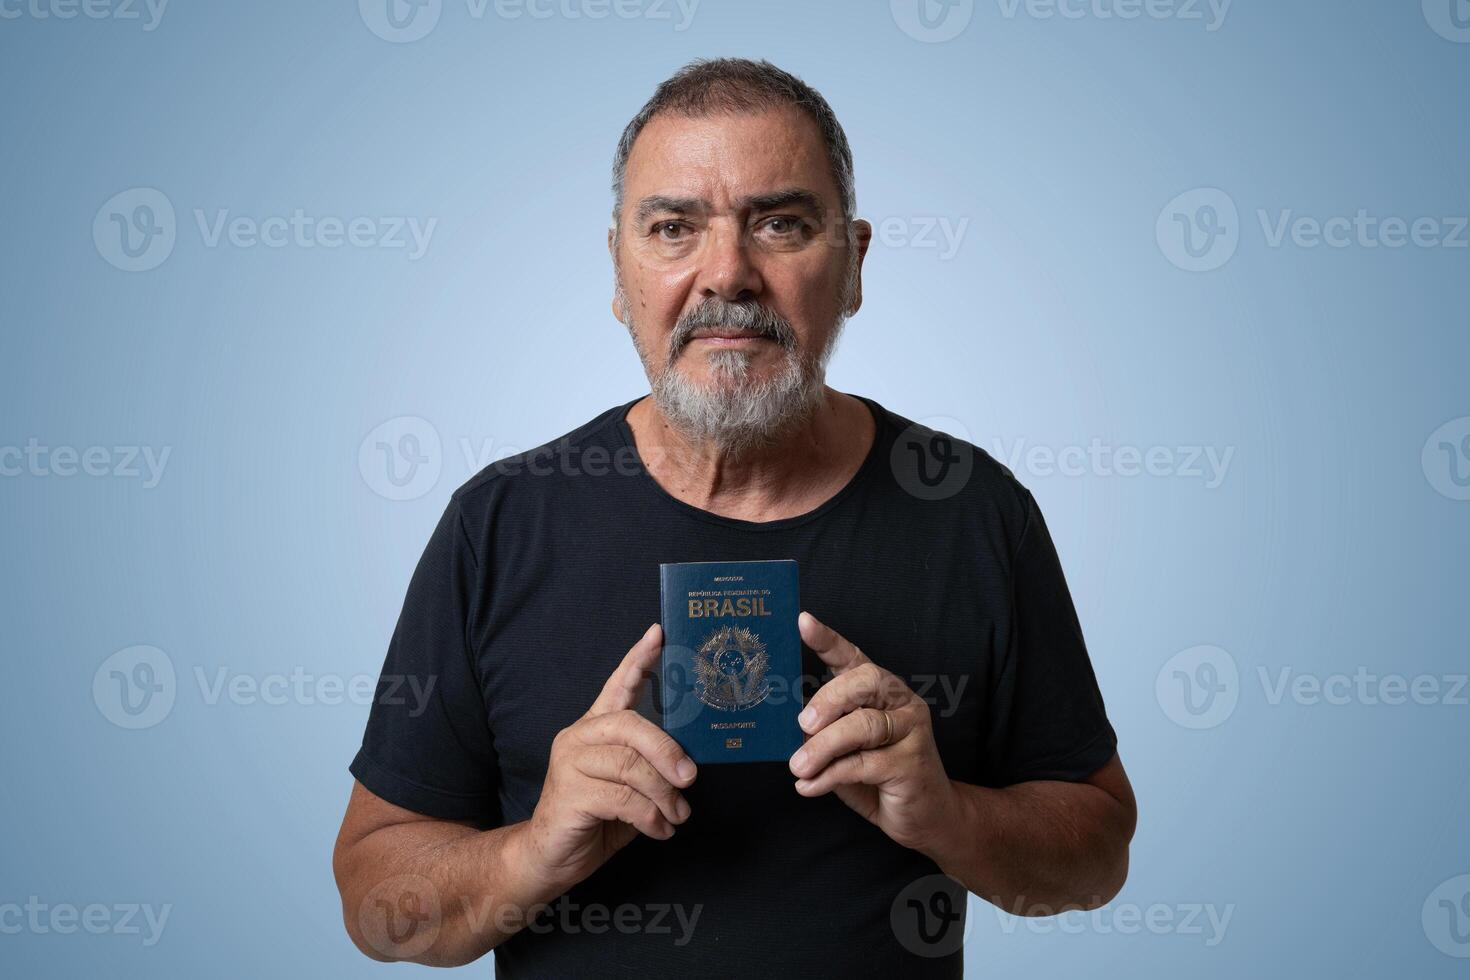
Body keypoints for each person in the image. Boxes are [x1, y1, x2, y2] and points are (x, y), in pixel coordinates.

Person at [333, 57, 1136, 978]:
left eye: (781, 224)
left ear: (856, 261)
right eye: (675, 228)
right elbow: (374, 901)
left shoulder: (971, 511)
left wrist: (951, 817)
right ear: (618, 267)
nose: (728, 275)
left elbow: (1096, 858)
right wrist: (534, 850)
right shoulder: (501, 524)